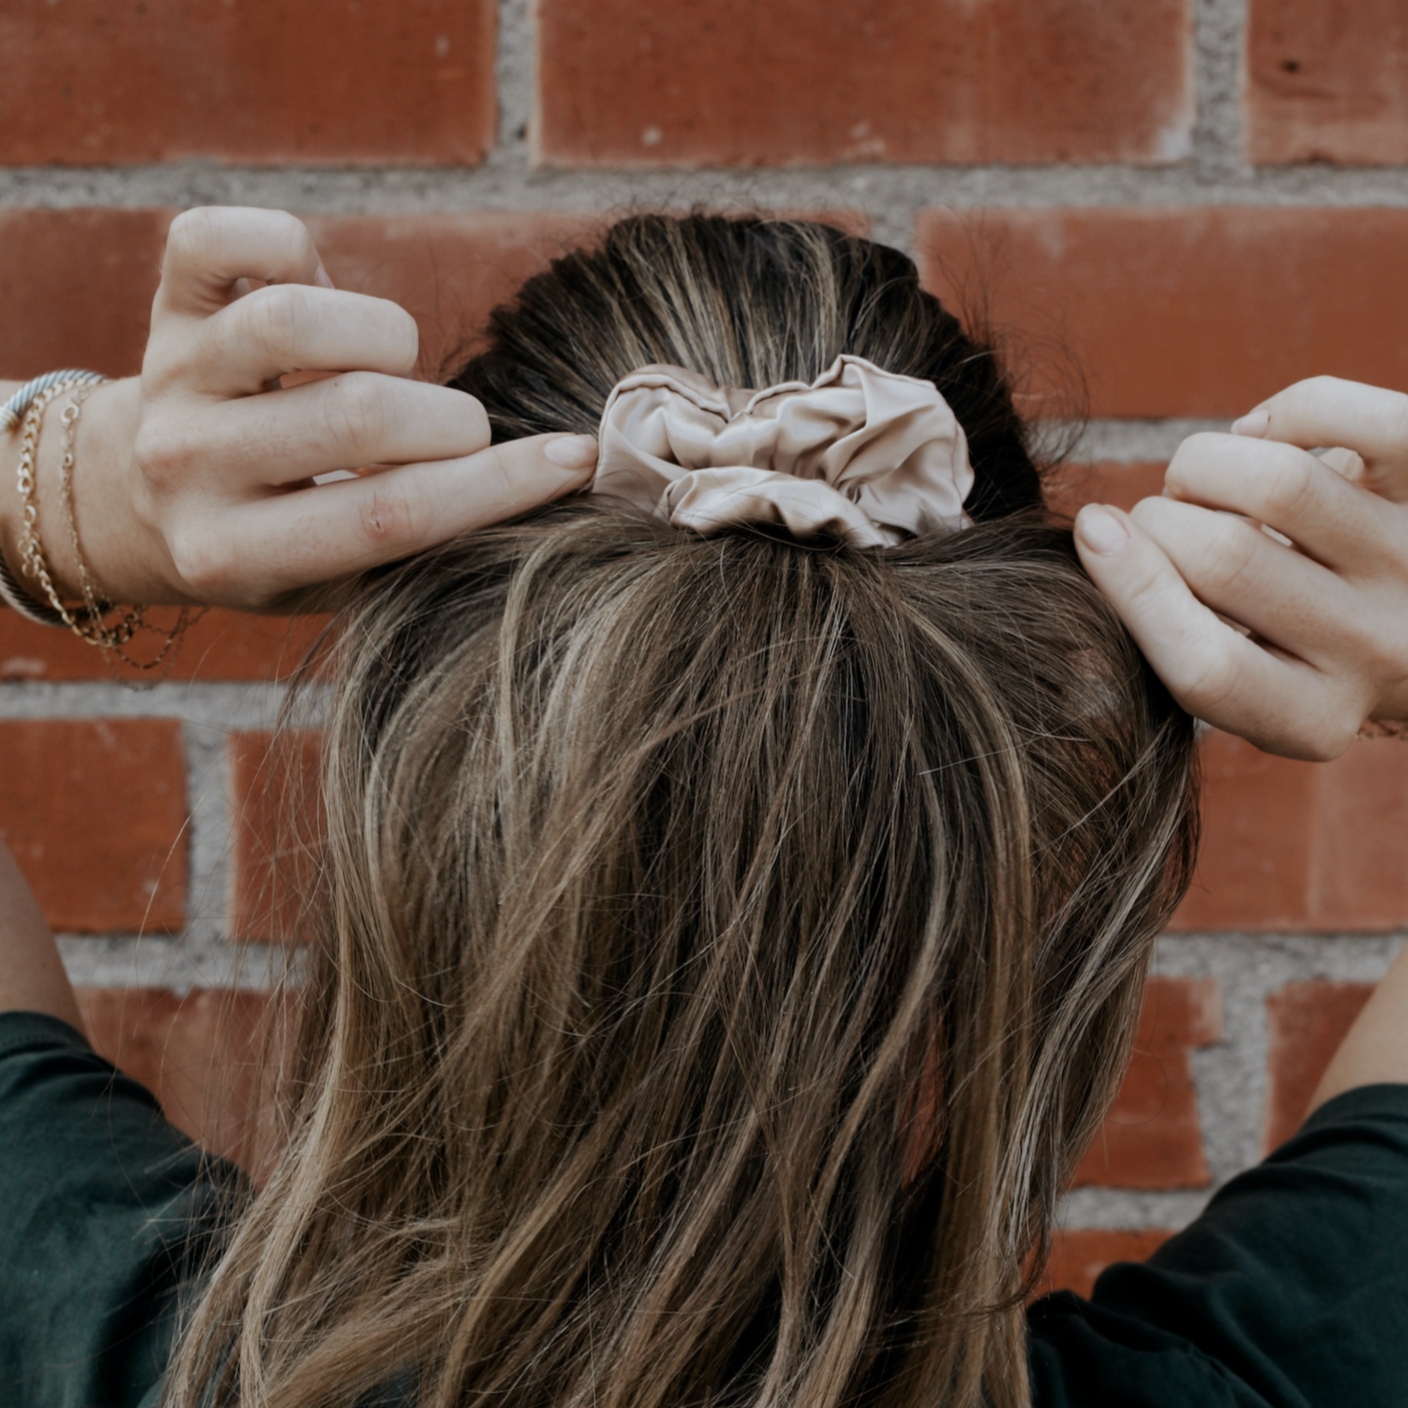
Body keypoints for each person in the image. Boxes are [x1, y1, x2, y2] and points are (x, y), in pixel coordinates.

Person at [0, 206, 1405, 1408]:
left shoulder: (111, 1335)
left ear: (418, 780)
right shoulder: (1280, 1370)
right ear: (1019, 853)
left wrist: (69, 495)